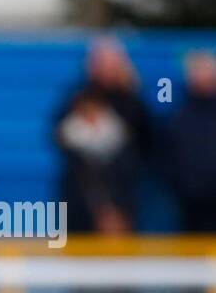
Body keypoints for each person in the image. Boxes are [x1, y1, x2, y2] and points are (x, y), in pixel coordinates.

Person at [52, 38, 151, 234]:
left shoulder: (132, 102)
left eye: (112, 63)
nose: (107, 69)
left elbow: (145, 145)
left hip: (122, 196)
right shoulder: (76, 98)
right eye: (102, 63)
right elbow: (59, 138)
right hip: (79, 199)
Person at [163, 50, 216, 234]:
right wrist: (182, 186)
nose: (202, 77)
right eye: (197, 71)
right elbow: (167, 157)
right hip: (190, 203)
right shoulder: (178, 117)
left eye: (206, 71)